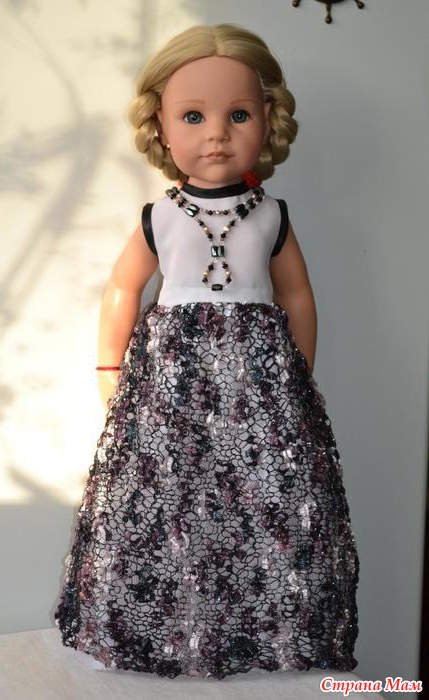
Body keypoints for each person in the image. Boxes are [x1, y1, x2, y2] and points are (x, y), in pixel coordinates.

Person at [54, 23, 360, 680]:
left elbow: (297, 295)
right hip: (173, 384)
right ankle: (166, 632)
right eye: (194, 116)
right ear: (161, 128)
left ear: (268, 120)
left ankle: (261, 631)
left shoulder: (271, 214)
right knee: (169, 500)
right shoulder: (160, 217)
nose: (216, 133)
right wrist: (109, 370)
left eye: (238, 114)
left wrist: (296, 378)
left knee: (263, 500)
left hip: (257, 387)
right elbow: (122, 290)